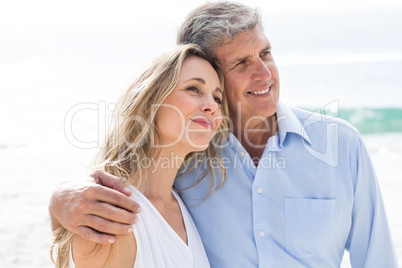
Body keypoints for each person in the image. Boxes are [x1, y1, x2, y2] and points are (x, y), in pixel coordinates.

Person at [49, 2, 398, 267]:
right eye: (241, 64)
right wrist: (60, 201)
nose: (264, 74)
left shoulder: (341, 145)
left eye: (265, 54)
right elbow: (132, 170)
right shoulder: (189, 158)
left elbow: (377, 257)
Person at [50, 43, 229, 267]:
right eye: (194, 89)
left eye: (217, 98)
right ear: (150, 102)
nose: (212, 106)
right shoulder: (111, 215)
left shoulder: (185, 206)